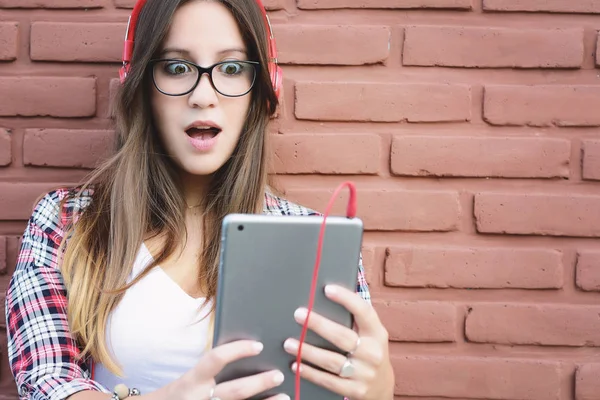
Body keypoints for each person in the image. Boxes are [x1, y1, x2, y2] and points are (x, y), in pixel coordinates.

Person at [5, 0, 395, 399]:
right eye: (176, 68)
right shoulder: (67, 222)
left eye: (231, 68)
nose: (203, 96)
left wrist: (378, 387)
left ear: (261, 89)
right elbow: (48, 383)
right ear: (141, 86)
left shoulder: (315, 239)